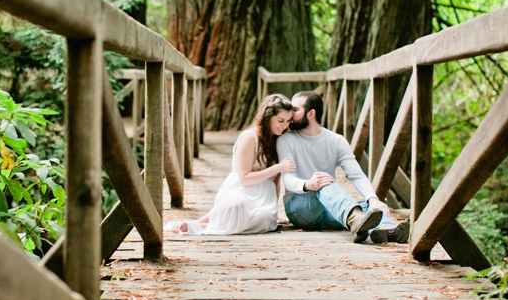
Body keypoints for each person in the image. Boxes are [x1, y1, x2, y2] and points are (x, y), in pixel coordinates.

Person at [277, 90, 409, 244]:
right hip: (299, 207)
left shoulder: (336, 140)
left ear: (310, 114)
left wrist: (373, 200)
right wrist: (308, 184)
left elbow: (357, 175)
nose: (290, 114)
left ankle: (387, 230)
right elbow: (288, 180)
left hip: (330, 207)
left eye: (295, 110)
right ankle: (355, 218)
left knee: (369, 207)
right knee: (325, 181)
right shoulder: (285, 140)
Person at [166, 94, 296, 235]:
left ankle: (202, 225)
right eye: (280, 120)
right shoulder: (249, 138)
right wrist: (277, 167)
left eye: (288, 121)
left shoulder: (280, 140)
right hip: (241, 190)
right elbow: (244, 179)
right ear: (267, 118)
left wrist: (274, 213)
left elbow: (275, 181)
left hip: (264, 197)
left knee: (265, 219)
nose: (284, 126)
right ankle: (198, 225)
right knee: (238, 205)